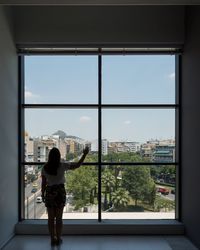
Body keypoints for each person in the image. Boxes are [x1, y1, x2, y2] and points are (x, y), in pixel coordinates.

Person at [41, 146, 89, 245]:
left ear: (49, 156)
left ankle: (52, 239)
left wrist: (42, 194)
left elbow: (43, 183)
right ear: (58, 156)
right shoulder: (62, 165)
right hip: (60, 192)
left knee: (50, 219)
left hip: (49, 192)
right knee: (59, 218)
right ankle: (58, 238)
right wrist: (84, 154)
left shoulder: (45, 168)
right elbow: (77, 165)